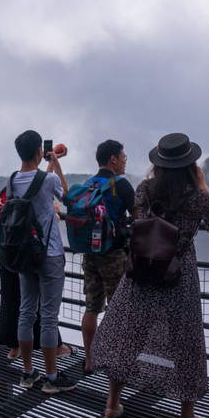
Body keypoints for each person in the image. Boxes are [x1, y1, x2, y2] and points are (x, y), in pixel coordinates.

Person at [91, 132, 209, 418]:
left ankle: (112, 405)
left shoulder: (144, 189)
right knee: (185, 342)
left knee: (128, 335)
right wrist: (203, 184)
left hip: (143, 270)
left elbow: (137, 217)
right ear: (190, 164)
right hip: (180, 275)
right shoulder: (197, 195)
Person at [9, 130, 78, 394]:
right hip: (48, 253)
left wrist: (48, 163)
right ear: (39, 150)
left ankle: (27, 373)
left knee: (26, 311)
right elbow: (66, 197)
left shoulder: (13, 179)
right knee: (49, 316)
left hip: (24, 254)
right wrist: (57, 163)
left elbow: (36, 182)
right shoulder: (49, 178)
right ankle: (51, 377)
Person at [0, 189, 78, 359]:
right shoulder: (37, 192)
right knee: (41, 306)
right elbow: (43, 221)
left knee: (12, 300)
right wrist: (53, 211)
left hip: (7, 250)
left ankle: (16, 350)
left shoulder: (8, 190)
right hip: (28, 253)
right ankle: (53, 353)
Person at [80, 139, 137, 376]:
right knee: (119, 310)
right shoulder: (121, 184)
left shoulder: (87, 184)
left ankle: (90, 360)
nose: (125, 161)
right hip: (113, 255)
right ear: (113, 159)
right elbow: (139, 217)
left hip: (90, 253)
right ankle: (117, 360)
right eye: (123, 157)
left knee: (91, 307)